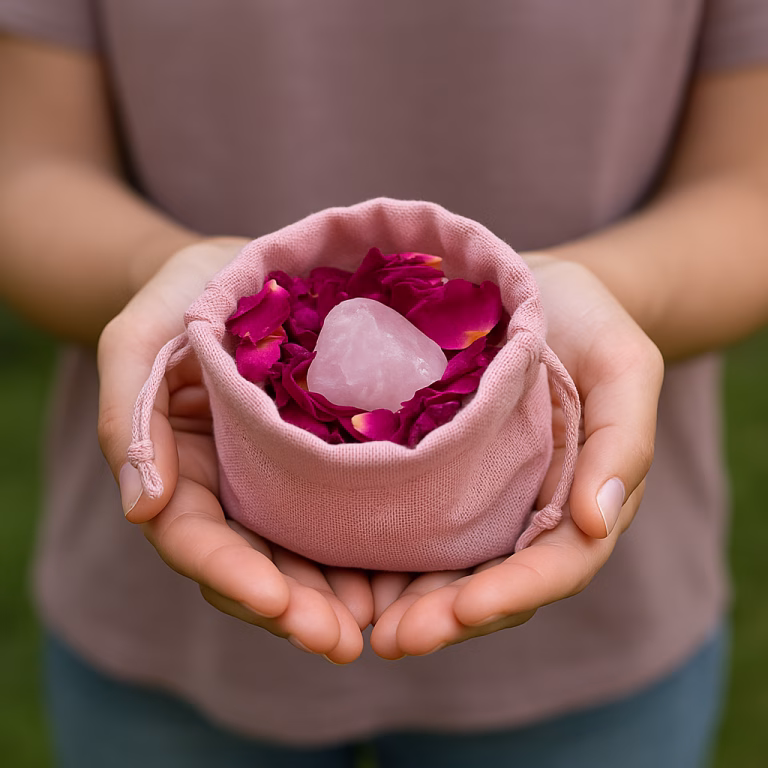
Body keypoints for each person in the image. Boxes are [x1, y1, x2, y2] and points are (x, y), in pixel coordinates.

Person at [1, 1, 766, 765]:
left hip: (595, 618)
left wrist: (614, 290)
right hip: (166, 597)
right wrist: (162, 278)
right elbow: (27, 168)